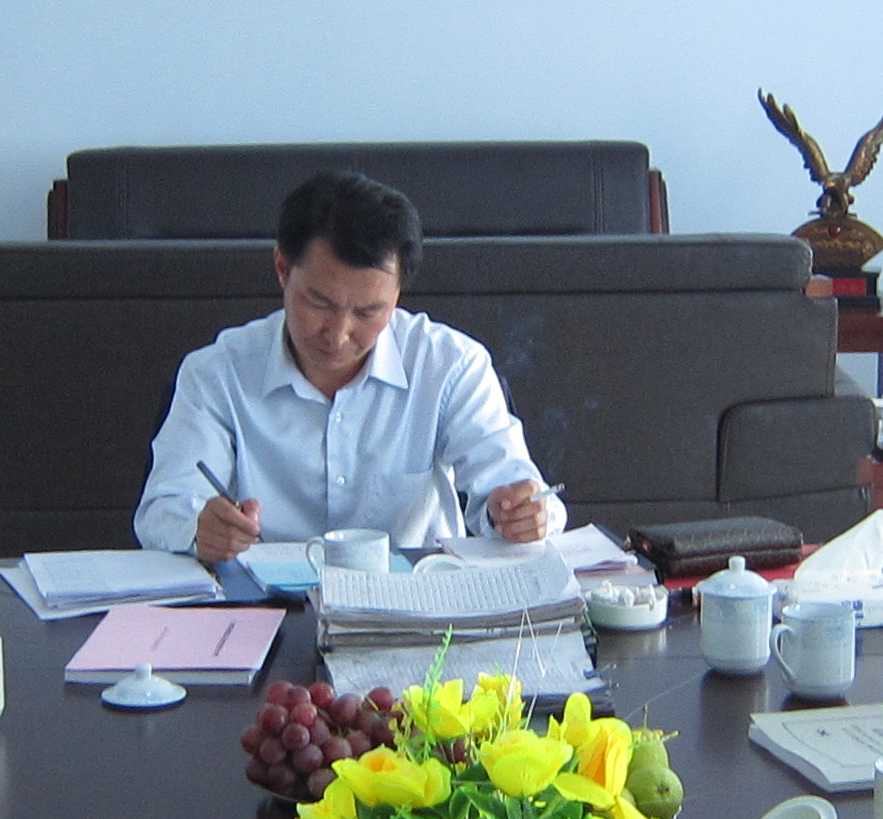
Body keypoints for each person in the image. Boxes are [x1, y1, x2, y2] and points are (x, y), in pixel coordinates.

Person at [131, 169, 563, 564]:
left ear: (397, 295)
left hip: (413, 603)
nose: (338, 335)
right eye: (319, 303)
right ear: (283, 269)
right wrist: (198, 528)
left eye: (368, 311)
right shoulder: (217, 373)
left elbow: (522, 490)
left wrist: (520, 516)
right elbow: (162, 509)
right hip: (264, 604)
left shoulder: (448, 366)